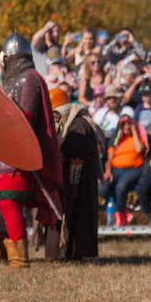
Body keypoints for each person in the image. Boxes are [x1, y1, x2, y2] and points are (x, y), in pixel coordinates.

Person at [0, 33, 63, 269]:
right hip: (3, 154)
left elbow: (25, 119)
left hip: (17, 156)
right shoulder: (10, 82)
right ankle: (7, 253)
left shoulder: (29, 79)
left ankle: (20, 258)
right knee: (1, 205)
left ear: (11, 58)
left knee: (10, 203)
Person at [53, 95, 103, 259]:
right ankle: (66, 252)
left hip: (80, 177)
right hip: (71, 175)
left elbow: (80, 151)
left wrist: (63, 155)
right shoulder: (67, 123)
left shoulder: (78, 123)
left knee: (79, 214)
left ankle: (76, 252)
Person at [100, 115, 147, 224]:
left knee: (121, 187)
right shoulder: (115, 141)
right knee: (102, 187)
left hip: (133, 169)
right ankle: (119, 204)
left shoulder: (139, 138)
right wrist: (108, 171)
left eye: (128, 124)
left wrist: (135, 131)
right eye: (124, 124)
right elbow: (109, 160)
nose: (126, 127)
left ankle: (120, 212)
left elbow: (140, 149)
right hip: (116, 169)